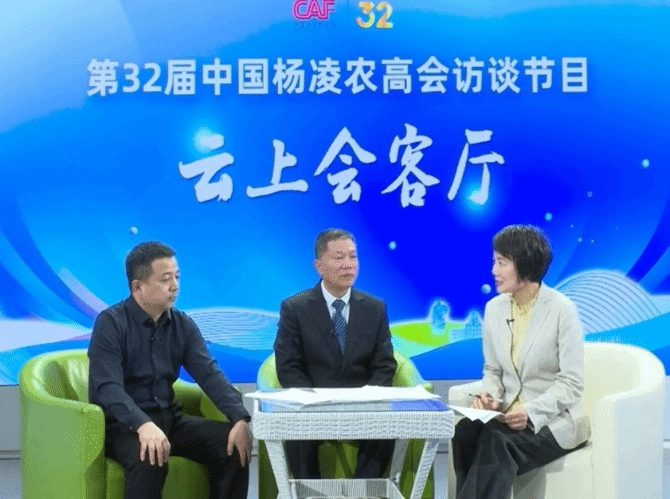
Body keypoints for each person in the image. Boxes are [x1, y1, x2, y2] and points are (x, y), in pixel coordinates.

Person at [88, 242, 252, 499]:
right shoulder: (111, 323)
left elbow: (209, 374)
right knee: (150, 457)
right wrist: (142, 423)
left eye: (177, 277)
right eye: (165, 279)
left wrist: (239, 418)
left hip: (169, 420)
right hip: (123, 426)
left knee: (232, 448)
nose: (174, 286)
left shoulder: (182, 325)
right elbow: (107, 387)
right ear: (137, 287)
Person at [451, 225, 591, 499]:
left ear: (525, 265)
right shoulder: (494, 309)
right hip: (507, 417)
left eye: (501, 263)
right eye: (494, 261)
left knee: (496, 440)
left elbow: (572, 384)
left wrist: (531, 412)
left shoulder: (562, 310)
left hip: (553, 420)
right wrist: (490, 396)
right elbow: (493, 370)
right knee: (465, 432)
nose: (494, 270)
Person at [273, 228, 397, 479]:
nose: (348, 264)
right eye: (339, 258)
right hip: (313, 408)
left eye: (353, 256)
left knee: (386, 428)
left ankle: (363, 494)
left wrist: (367, 399)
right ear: (319, 266)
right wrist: (313, 403)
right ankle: (309, 494)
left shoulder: (374, 308)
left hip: (362, 407)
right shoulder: (295, 308)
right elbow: (288, 366)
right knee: (297, 432)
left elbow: (384, 364)